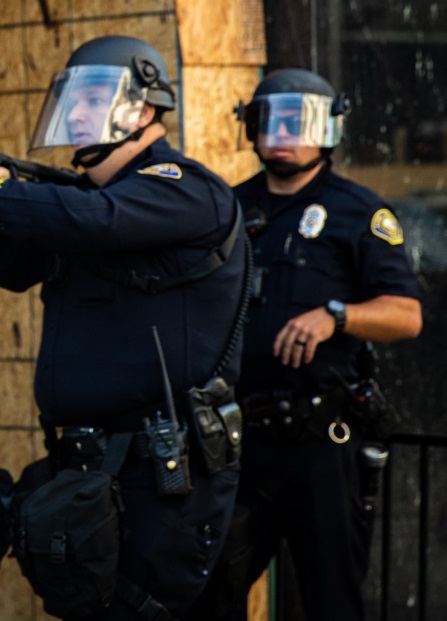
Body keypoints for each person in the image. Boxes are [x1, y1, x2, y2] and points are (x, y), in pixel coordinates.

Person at [0, 35, 248, 620]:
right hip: (90, 468)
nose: (78, 113)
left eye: (93, 98)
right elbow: (14, 268)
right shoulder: (85, 201)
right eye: (74, 100)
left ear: (146, 108)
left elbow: (94, 221)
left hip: (164, 471)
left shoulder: (185, 188)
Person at [188, 68, 422, 621]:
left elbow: (406, 315)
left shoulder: (359, 211)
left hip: (322, 442)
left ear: (329, 130)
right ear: (251, 128)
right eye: (270, 121)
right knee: (207, 596)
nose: (283, 134)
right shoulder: (226, 209)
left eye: (300, 122)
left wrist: (335, 317)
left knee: (330, 600)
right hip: (237, 443)